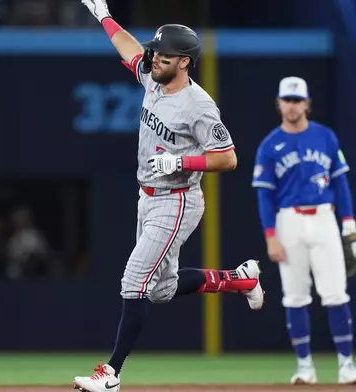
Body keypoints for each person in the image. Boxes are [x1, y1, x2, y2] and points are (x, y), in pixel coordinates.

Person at [73, 1, 264, 391]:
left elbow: (228, 158)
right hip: (148, 197)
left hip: (177, 200)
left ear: (184, 62)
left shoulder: (199, 105)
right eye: (156, 51)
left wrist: (183, 162)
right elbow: (129, 49)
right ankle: (240, 280)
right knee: (161, 290)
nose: (154, 57)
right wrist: (103, 15)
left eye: (164, 54)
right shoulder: (153, 79)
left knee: (134, 281)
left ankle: (110, 374)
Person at [251, 76, 356, 385]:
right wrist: (270, 235)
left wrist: (349, 225)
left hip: (324, 218)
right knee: (295, 297)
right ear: (279, 103)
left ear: (307, 103)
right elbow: (264, 195)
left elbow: (341, 183)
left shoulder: (326, 137)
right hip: (288, 220)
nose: (292, 105)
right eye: (287, 100)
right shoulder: (269, 145)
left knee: (335, 293)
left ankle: (347, 365)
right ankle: (305, 367)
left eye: (297, 100)